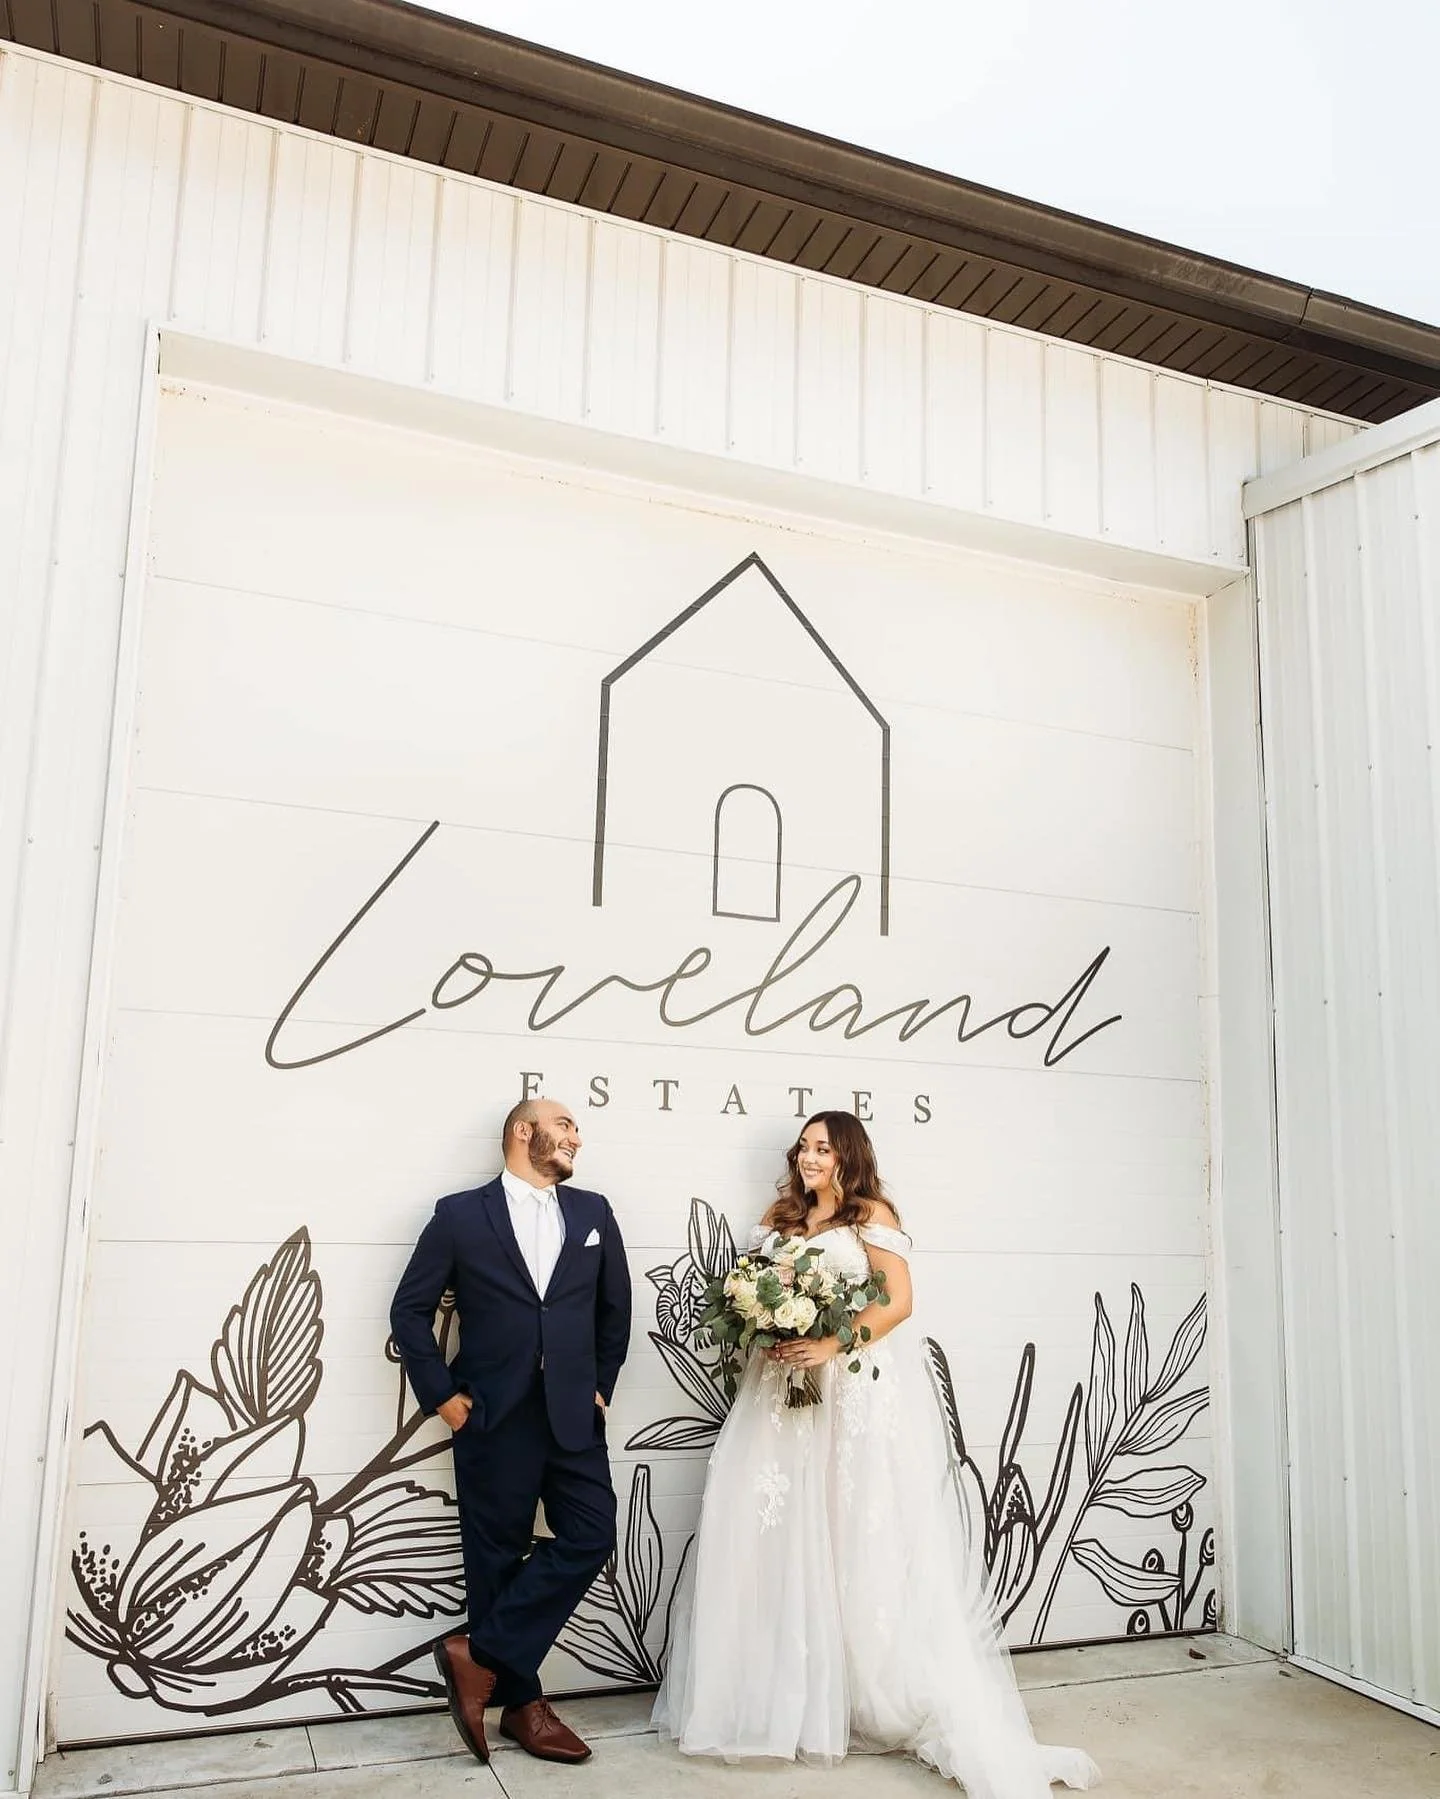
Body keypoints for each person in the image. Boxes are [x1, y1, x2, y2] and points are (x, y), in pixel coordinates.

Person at [653, 1111, 1100, 1798]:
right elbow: (761, 1301)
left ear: (848, 1154)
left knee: (854, 1531)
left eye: (822, 1147)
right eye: (803, 1146)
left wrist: (829, 1343)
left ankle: (867, 1687)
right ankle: (786, 1691)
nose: (809, 1157)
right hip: (778, 1396)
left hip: (851, 1396)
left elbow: (898, 1301)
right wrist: (766, 1326)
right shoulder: (777, 1218)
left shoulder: (871, 1214)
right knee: (774, 1531)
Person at [389, 1096, 631, 1766]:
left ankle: (478, 1652)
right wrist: (444, 1398)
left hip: (573, 1414)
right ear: (524, 1131)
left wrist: (602, 1383)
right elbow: (409, 1311)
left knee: (592, 1531)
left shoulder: (592, 1213)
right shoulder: (459, 1215)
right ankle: (523, 1707)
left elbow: (615, 1310)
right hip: (491, 1412)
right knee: (493, 1556)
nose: (576, 1138)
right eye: (565, 1126)